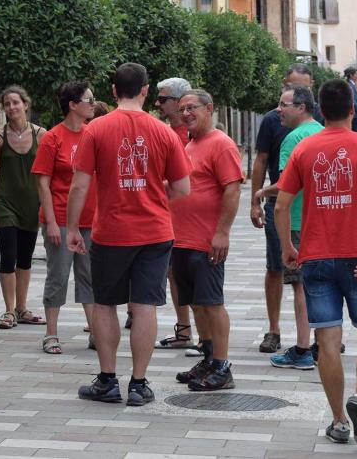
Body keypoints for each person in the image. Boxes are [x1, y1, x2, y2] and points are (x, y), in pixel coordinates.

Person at [275, 78, 357, 449]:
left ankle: (340, 421)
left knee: (327, 343)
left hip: (316, 257)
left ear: (321, 110)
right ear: (354, 109)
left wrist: (286, 248)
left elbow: (280, 204)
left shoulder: (305, 149)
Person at [67, 63, 191, 407]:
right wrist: (154, 196)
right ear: (146, 91)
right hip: (155, 231)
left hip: (111, 232)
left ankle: (108, 380)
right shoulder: (164, 132)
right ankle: (138, 383)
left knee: (105, 303)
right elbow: (182, 187)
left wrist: (73, 227)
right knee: (145, 304)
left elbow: (79, 184)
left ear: (112, 90)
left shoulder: (95, 129)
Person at [168, 89, 242, 391]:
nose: (186, 113)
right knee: (197, 304)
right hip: (182, 240)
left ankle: (223, 366)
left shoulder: (221, 144)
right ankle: (209, 357)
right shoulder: (188, 144)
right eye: (182, 108)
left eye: (192, 108)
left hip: (205, 240)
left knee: (212, 304)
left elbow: (233, 189)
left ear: (209, 108)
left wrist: (222, 232)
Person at [253, 86, 323, 371]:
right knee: (318, 285)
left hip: (296, 221)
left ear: (302, 107)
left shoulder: (294, 139)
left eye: (284, 105)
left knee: (299, 286)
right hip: (320, 220)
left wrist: (259, 194)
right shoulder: (322, 132)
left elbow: (285, 187)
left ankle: (303, 348)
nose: (278, 110)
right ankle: (322, 341)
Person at [31, 81, 97, 354]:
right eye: (89, 100)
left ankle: (95, 332)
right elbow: (42, 183)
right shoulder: (53, 137)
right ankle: (51, 334)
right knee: (58, 275)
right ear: (72, 104)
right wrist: (48, 220)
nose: (93, 104)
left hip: (90, 218)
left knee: (90, 275)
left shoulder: (92, 135)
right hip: (58, 216)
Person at [0, 85, 46, 329]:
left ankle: (22, 308)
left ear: (25, 103)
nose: (12, 107)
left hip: (31, 203)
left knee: (25, 257)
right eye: (7, 104)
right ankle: (9, 310)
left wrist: (46, 204)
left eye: (15, 102)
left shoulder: (41, 134)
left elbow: (45, 174)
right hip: (5, 203)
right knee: (7, 256)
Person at [151, 77, 199, 355]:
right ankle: (184, 331)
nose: (157, 103)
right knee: (174, 275)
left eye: (163, 99)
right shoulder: (165, 132)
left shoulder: (192, 136)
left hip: (190, 221)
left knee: (192, 276)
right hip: (167, 218)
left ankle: (203, 336)